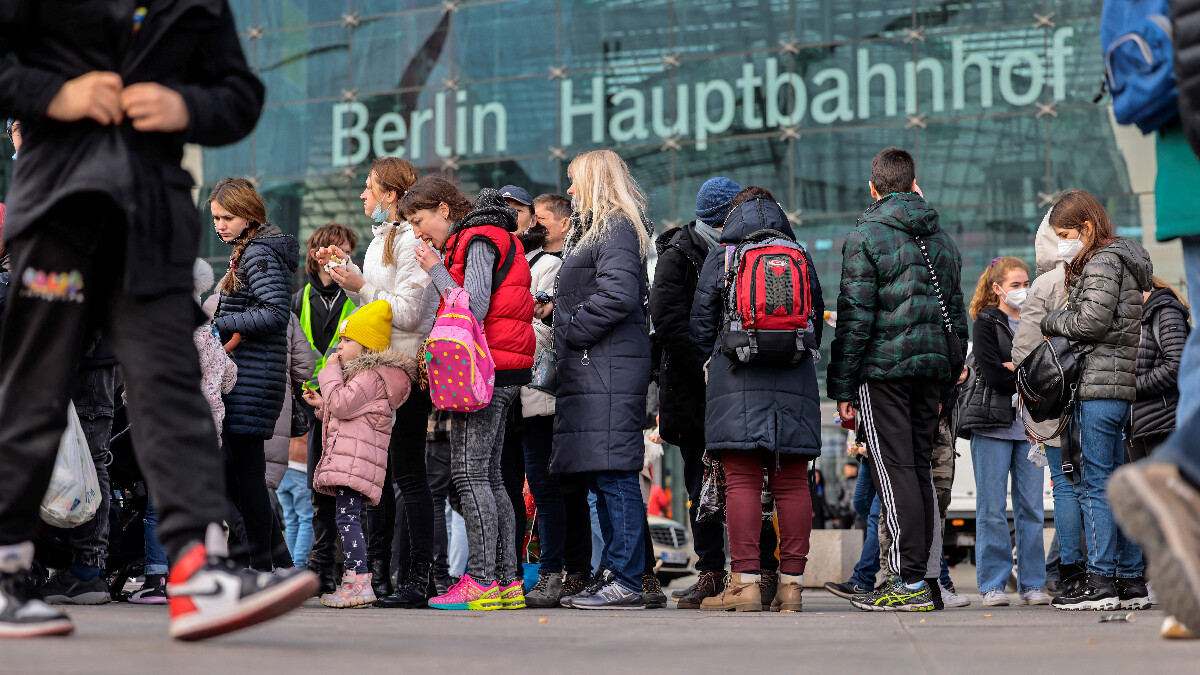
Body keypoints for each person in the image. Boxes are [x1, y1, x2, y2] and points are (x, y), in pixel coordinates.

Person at [0, 0, 318, 640]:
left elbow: (239, 94)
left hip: (151, 221)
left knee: (172, 384)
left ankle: (198, 571)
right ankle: (6, 570)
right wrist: (56, 95)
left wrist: (183, 107)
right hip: (60, 212)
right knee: (36, 384)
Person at [828, 147, 968, 612]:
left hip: (883, 373)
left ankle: (908, 584)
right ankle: (925, 581)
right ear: (913, 183)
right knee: (918, 471)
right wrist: (946, 383)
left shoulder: (865, 235)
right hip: (931, 373)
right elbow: (957, 321)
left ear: (873, 188)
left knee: (894, 475)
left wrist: (842, 386)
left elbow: (855, 318)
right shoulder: (942, 239)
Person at [690, 187, 824, 613]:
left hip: (736, 377)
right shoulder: (800, 255)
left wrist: (716, 360)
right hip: (795, 379)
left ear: (734, 215)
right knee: (793, 482)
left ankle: (745, 586)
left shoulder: (724, 256)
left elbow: (700, 327)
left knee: (743, 481)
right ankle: (792, 588)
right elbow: (816, 322)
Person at [404, 180, 536, 611]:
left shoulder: (478, 237)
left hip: (484, 369)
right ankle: (507, 582)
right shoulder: (494, 235)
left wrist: (435, 269)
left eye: (419, 220)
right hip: (503, 365)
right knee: (491, 477)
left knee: (468, 475)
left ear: (444, 209)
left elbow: (474, 306)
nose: (418, 233)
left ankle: (481, 581)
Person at [315, 157, 439, 608]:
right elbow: (374, 315)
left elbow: (407, 313)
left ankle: (419, 576)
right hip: (377, 367)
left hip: (406, 371)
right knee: (376, 478)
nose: (362, 195)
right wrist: (347, 278)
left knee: (408, 473)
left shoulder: (411, 240)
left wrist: (360, 283)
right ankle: (378, 576)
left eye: (369, 188)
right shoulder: (378, 240)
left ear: (391, 194)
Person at [549, 150, 653, 610]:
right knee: (603, 476)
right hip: (599, 367)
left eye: (574, 181)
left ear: (594, 181)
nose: (569, 190)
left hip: (607, 367)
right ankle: (614, 571)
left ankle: (627, 580)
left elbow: (619, 293)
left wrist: (572, 328)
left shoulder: (614, 226)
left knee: (615, 475)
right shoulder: (600, 229)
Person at [1039, 190, 1152, 611]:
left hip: (1098, 387)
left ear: (1087, 227)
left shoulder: (1103, 261)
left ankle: (1101, 580)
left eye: (1065, 234)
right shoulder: (1122, 260)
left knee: (1096, 484)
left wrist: (1052, 318)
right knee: (1117, 484)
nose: (1062, 243)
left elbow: (1091, 321)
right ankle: (1130, 581)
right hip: (1116, 388)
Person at [649, 177, 740, 609]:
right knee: (700, 486)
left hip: (735, 392)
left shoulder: (743, 250)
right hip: (693, 393)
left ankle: (753, 573)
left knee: (746, 483)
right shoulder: (678, 255)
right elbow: (668, 325)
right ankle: (710, 572)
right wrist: (709, 369)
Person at [210, 178, 299, 574]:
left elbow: (277, 313)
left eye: (227, 217)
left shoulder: (259, 252)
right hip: (248, 377)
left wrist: (218, 325)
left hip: (251, 379)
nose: (220, 225)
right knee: (239, 475)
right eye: (216, 218)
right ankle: (276, 561)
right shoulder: (249, 251)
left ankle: (261, 565)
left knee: (242, 476)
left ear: (248, 216)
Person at [303, 301, 416, 608]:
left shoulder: (368, 376)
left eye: (346, 340)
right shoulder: (369, 376)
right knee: (348, 517)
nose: (339, 346)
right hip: (354, 459)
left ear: (366, 346)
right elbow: (348, 413)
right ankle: (356, 579)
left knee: (347, 518)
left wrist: (329, 372)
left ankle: (359, 581)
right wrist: (322, 405)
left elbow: (342, 405)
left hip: (354, 461)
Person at [960, 257, 1048, 607]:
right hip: (992, 425)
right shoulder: (985, 322)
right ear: (997, 288)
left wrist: (1017, 369)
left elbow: (1051, 372)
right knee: (992, 509)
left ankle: (1033, 584)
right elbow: (995, 375)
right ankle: (993, 586)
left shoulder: (1037, 320)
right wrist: (1026, 373)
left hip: (1031, 428)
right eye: (1015, 284)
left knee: (1032, 510)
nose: (1023, 290)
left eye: (1026, 283)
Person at [292, 222, 358, 595]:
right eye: (337, 248)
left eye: (348, 250)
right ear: (318, 254)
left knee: (348, 486)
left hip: (349, 402)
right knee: (318, 490)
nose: (343, 256)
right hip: (311, 406)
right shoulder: (298, 299)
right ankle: (320, 568)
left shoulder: (357, 298)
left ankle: (350, 567)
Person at [270, 313, 317, 569]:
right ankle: (297, 567)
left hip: (283, 464)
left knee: (290, 519)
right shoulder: (309, 396)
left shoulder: (283, 392)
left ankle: (287, 564)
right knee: (305, 518)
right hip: (301, 466)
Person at [1129, 278, 1189, 460]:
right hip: (1139, 427)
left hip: (1164, 425)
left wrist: (1130, 388)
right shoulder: (1134, 318)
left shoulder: (1166, 311)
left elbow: (1176, 366)